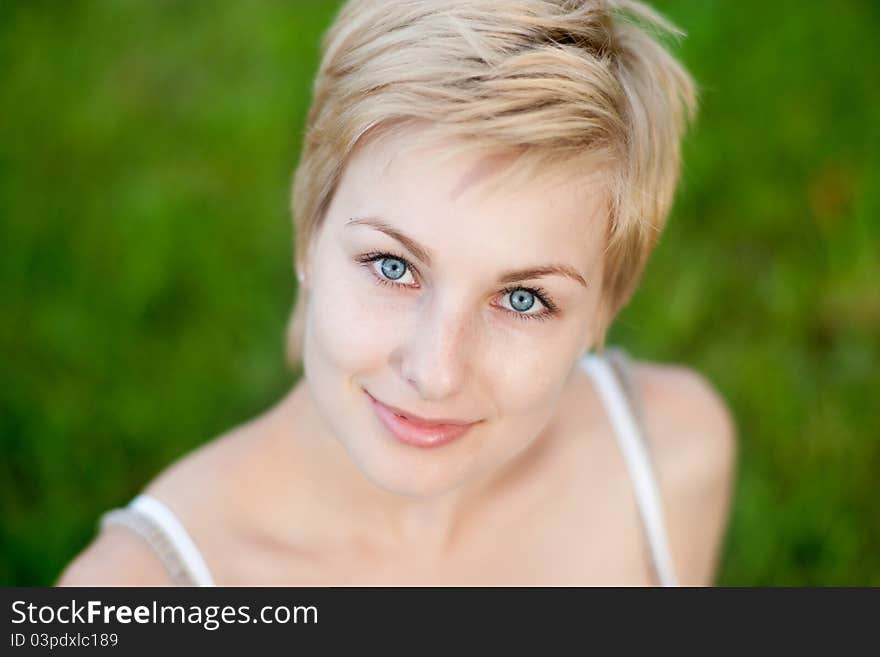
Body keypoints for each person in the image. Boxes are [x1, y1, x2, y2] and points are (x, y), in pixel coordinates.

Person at [58, 0, 736, 587]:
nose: (435, 372)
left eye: (524, 298)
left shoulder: (673, 461)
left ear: (606, 309)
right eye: (391, 265)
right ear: (308, 235)